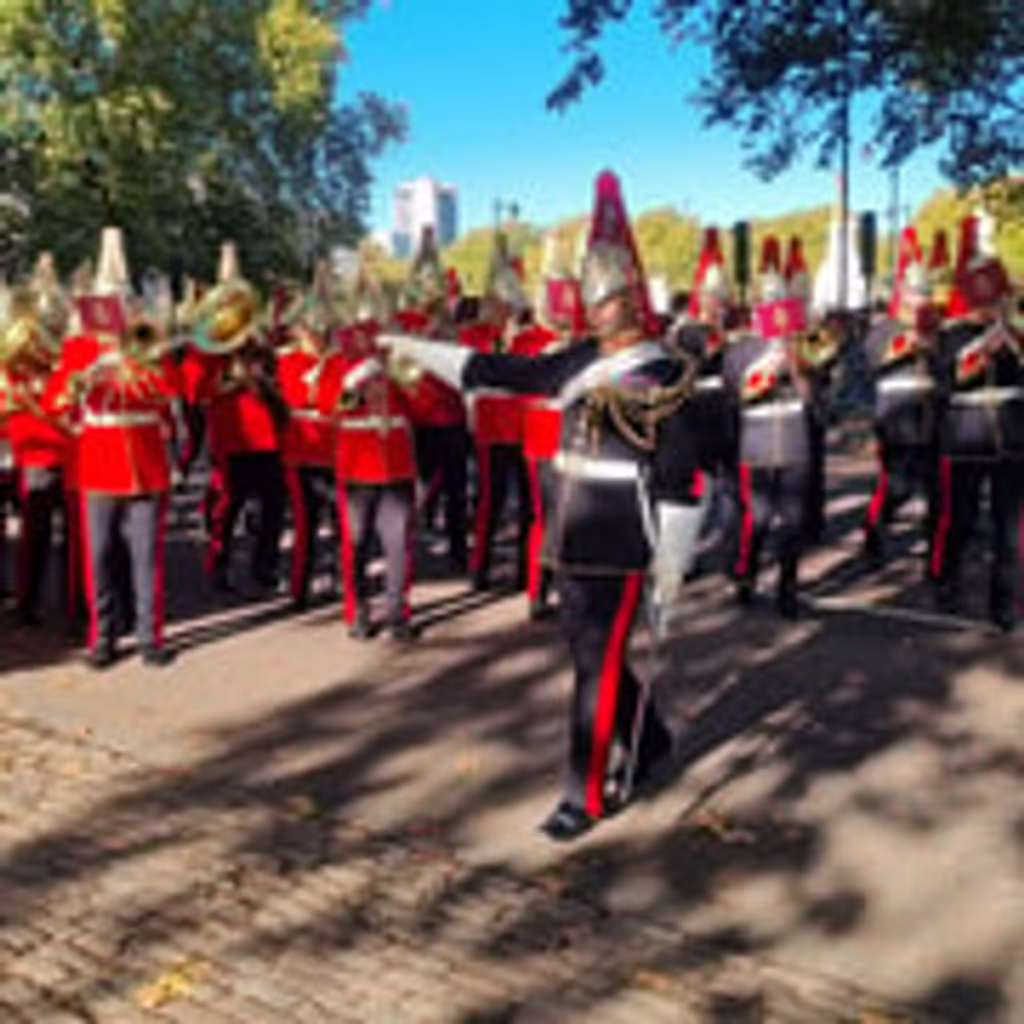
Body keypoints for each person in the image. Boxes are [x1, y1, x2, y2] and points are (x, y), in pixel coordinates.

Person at [385, 171, 705, 840]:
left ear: (634, 299)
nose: (597, 312)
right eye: (594, 301)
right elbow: (499, 372)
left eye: (609, 299)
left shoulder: (668, 372)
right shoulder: (579, 358)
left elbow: (678, 474)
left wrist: (673, 562)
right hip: (568, 531)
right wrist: (413, 346)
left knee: (594, 664)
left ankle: (581, 796)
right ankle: (649, 742)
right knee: (590, 654)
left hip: (623, 536)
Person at [45, 227, 180, 668]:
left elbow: (168, 391)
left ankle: (149, 636)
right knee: (98, 557)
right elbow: (55, 402)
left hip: (145, 463)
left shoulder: (146, 343)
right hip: (99, 464)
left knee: (146, 560)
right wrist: (83, 378)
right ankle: (103, 635)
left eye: (122, 302)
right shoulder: (78, 347)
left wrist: (135, 364)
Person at [930, 218, 1023, 632]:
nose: (990, 303)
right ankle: (945, 579)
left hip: (1011, 436)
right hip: (966, 435)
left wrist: (1011, 330)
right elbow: (950, 377)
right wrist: (988, 344)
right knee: (959, 519)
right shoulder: (952, 334)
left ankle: (1002, 601)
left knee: (1009, 526)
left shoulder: (1016, 332)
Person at [725, 236, 823, 619]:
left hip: (796, 441)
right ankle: (746, 572)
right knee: (759, 519)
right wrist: (767, 368)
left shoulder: (801, 348)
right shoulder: (740, 350)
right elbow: (737, 395)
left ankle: (788, 587)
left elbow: (812, 396)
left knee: (794, 522)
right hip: (758, 443)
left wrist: (797, 367)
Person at [317, 304, 419, 642]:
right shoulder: (336, 362)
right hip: (358, 466)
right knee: (356, 544)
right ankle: (358, 611)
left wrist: (401, 370)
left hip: (396, 464)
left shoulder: (398, 359)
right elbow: (329, 410)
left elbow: (425, 405)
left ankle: (397, 613)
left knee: (398, 545)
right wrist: (353, 380)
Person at [862, 227, 940, 568]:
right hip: (896, 417)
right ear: (904, 294)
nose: (921, 298)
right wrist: (910, 341)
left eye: (925, 293)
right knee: (897, 486)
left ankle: (936, 557)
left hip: (932, 415)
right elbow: (871, 358)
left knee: (937, 488)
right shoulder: (886, 327)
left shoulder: (938, 326)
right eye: (915, 292)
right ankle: (875, 531)